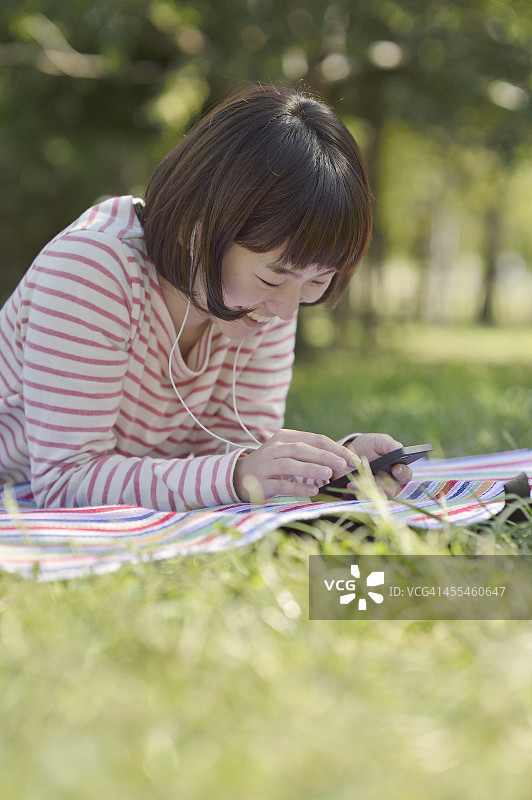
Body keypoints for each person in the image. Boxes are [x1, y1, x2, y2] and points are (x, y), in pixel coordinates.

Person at [0, 84, 412, 511]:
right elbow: (65, 481)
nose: (287, 310)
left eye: (318, 280)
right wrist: (238, 475)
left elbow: (231, 456)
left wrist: (331, 465)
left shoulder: (258, 307)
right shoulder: (92, 271)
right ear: (196, 231)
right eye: (273, 278)